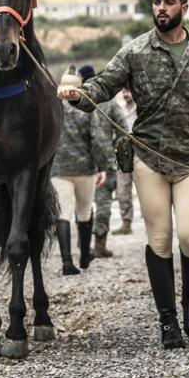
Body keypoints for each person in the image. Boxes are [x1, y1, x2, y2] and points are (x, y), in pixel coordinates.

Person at [57, 0, 189, 350]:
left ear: (184, 8)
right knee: (159, 240)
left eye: (168, 3)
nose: (161, 8)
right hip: (149, 158)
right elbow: (104, 85)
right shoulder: (136, 51)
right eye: (157, 3)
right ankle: (167, 321)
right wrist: (77, 94)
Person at [51, 66, 112, 275]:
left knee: (63, 213)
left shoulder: (53, 108)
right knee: (85, 211)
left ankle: (67, 262)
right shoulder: (87, 108)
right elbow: (97, 139)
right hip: (85, 168)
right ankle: (85, 255)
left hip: (58, 169)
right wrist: (103, 166)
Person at [78, 63, 123, 258]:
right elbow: (122, 129)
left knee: (83, 203)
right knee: (103, 203)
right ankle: (99, 243)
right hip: (105, 159)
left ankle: (83, 242)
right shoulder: (109, 101)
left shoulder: (75, 101)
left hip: (81, 161)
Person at [111, 88, 137, 235]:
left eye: (129, 91)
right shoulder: (119, 108)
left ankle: (152, 223)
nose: (126, 94)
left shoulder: (142, 108)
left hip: (142, 152)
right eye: (124, 91)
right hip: (124, 153)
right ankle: (126, 223)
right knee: (122, 190)